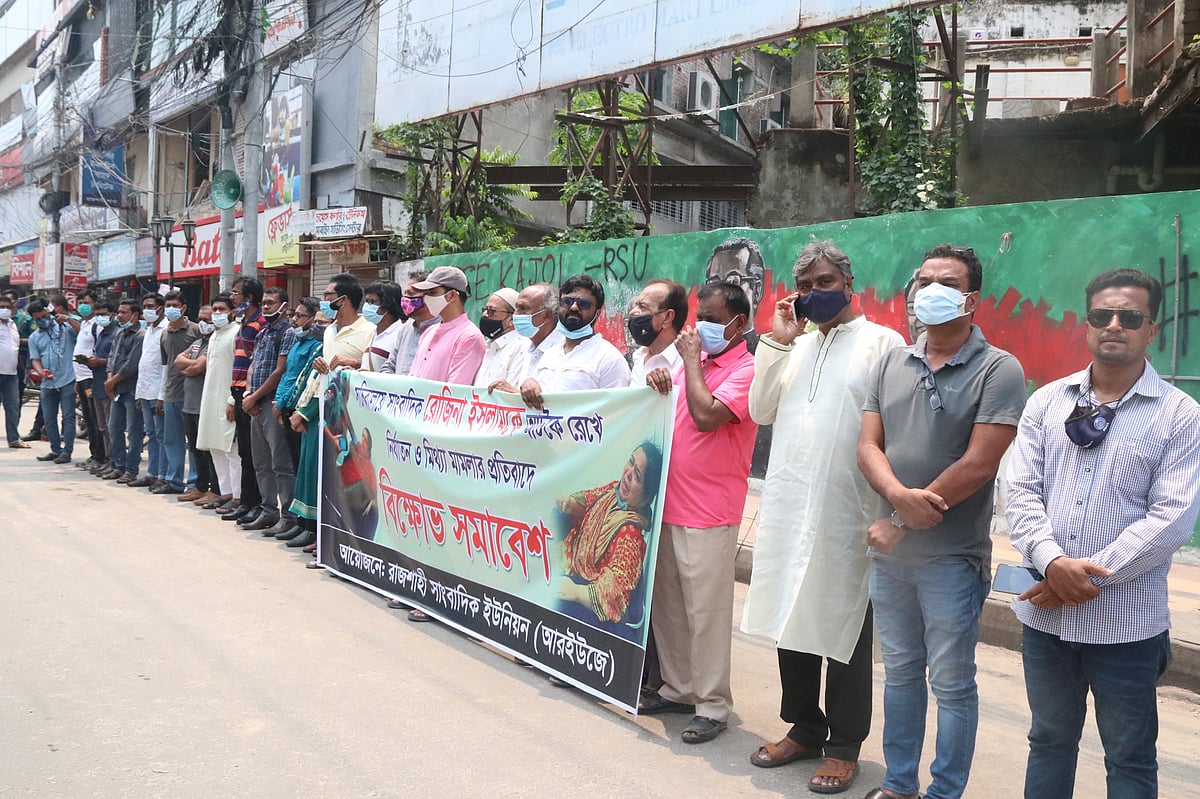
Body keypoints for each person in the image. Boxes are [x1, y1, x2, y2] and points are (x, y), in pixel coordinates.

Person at [1007, 268, 1200, 799]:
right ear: (1087, 324)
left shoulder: (1181, 416)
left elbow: (1172, 518)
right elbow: (1019, 491)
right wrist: (1052, 563)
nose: (1114, 325)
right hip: (1046, 620)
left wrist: (1085, 580)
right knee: (1048, 739)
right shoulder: (1047, 402)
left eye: (1130, 317)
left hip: (1127, 628)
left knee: (1130, 757)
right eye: (1102, 315)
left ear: (1151, 330)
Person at [856, 244, 1027, 799]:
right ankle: (900, 785)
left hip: (953, 559)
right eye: (922, 279)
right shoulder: (892, 361)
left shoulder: (999, 369)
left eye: (944, 282)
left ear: (970, 299)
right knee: (901, 675)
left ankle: (944, 791)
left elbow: (979, 464)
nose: (927, 290)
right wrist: (895, 497)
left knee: (951, 684)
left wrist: (902, 519)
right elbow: (868, 446)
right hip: (891, 558)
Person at [740, 240, 905, 794]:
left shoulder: (885, 343)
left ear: (848, 283)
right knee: (793, 616)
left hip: (848, 510)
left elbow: (894, 433)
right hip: (790, 505)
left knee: (845, 626)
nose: (813, 294)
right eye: (804, 285)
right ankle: (805, 728)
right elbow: (760, 410)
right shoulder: (795, 345)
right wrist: (777, 344)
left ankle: (844, 745)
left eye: (825, 283)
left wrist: (892, 509)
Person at [639, 281, 756, 745]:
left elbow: (708, 416)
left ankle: (712, 704)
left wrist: (687, 363)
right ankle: (680, 687)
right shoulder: (698, 365)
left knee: (705, 612)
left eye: (710, 318)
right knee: (669, 608)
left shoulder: (746, 369)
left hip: (709, 510)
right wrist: (659, 378)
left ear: (738, 324)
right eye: (699, 316)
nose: (699, 327)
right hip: (667, 502)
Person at [288, 274, 374, 551]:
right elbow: (320, 376)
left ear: (343, 300)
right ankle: (317, 531)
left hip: (350, 416)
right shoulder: (328, 331)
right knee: (317, 473)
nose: (323, 302)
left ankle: (335, 537)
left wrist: (355, 362)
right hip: (323, 409)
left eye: (327, 296)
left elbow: (370, 370)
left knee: (345, 480)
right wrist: (305, 409)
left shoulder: (367, 330)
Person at [557, 443, 664, 626]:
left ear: (646, 498)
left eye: (637, 476)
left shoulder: (630, 534)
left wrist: (575, 591)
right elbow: (589, 499)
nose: (628, 473)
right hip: (572, 565)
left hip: (588, 598)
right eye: (630, 462)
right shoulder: (612, 493)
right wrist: (569, 503)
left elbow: (616, 593)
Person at [520, 275, 631, 409]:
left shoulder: (610, 360)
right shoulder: (549, 355)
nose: (573, 307)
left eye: (583, 304)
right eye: (567, 301)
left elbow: (616, 414)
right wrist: (529, 384)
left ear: (598, 311)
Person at [239, 287, 297, 535]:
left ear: (284, 306)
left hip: (272, 404)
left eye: (271, 303)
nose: (266, 307)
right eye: (264, 303)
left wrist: (256, 396)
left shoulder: (288, 332)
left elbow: (279, 371)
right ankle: (268, 510)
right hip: (256, 404)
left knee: (281, 464)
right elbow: (254, 366)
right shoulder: (263, 333)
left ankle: (288, 515)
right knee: (261, 462)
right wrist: (247, 395)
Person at [271, 297, 323, 541]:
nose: (294, 320)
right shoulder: (296, 343)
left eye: (300, 316)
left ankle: (308, 526)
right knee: (293, 467)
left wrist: (292, 408)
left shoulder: (316, 345)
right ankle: (297, 520)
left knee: (304, 470)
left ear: (312, 319)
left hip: (301, 412)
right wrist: (279, 403)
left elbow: (306, 383)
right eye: (295, 315)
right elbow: (289, 376)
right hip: (287, 409)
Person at [219, 278, 266, 521]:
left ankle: (255, 504)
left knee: (252, 452)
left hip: (249, 390)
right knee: (244, 450)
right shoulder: (242, 322)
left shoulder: (259, 323)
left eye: (236, 293)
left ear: (248, 298)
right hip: (236, 388)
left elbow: (255, 358)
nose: (232, 297)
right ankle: (246, 502)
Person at [197, 295, 242, 514]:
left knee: (232, 450)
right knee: (215, 447)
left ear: (232, 312)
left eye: (221, 309)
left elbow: (238, 370)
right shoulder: (215, 334)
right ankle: (225, 493)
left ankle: (238, 496)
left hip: (227, 399)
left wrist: (232, 401)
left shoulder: (236, 333)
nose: (216, 313)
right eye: (214, 309)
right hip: (210, 398)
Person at [174, 304, 221, 507]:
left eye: (208, 319)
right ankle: (200, 487)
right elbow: (178, 361)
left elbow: (199, 366)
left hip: (206, 405)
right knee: (195, 449)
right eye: (201, 319)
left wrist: (190, 366)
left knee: (209, 451)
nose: (204, 323)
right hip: (189, 405)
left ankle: (215, 489)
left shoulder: (215, 343)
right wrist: (189, 367)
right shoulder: (197, 343)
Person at [408, 266, 486, 384]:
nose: (426, 299)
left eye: (433, 293)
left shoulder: (469, 337)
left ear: (452, 296)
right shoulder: (429, 332)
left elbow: (455, 390)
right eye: (426, 294)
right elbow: (413, 376)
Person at [157, 291, 201, 496]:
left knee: (192, 442)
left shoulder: (195, 330)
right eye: (168, 305)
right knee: (171, 439)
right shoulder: (164, 333)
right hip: (171, 394)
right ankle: (173, 480)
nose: (170, 309)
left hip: (191, 394)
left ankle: (193, 483)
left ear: (183, 308)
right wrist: (162, 393)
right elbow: (165, 366)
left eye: (175, 305)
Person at [28, 298, 80, 463]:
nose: (41, 320)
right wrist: (40, 372)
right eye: (37, 319)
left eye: (43, 316)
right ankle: (55, 449)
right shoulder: (34, 337)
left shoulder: (64, 328)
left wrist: (66, 319)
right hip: (48, 382)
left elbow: (82, 331)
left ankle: (67, 451)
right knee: (49, 418)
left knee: (68, 417)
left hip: (67, 378)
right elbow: (35, 359)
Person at [486, 283, 561, 395]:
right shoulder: (525, 347)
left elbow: (556, 403)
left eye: (523, 309)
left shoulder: (562, 351)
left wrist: (513, 394)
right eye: (516, 308)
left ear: (545, 315)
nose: (516, 314)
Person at [103, 300, 145, 481]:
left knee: (134, 433)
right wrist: (109, 380)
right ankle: (118, 466)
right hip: (117, 389)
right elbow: (112, 358)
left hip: (132, 389)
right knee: (114, 428)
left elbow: (132, 364)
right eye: (119, 312)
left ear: (135, 315)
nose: (120, 315)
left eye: (124, 312)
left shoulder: (141, 335)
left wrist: (112, 381)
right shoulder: (120, 333)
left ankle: (131, 469)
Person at [380, 270, 440, 375]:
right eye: (405, 293)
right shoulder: (405, 328)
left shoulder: (442, 328)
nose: (405, 299)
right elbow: (390, 365)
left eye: (411, 294)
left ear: (429, 296)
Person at [629, 279, 687, 386]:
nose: (633, 312)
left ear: (667, 317)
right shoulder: (639, 357)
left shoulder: (685, 364)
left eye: (643, 307)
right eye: (636, 306)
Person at [85, 301, 118, 473]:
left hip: (109, 386)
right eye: (97, 314)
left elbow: (116, 360)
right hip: (97, 384)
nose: (100, 317)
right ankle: (107, 459)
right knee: (102, 426)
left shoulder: (116, 333)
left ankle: (114, 461)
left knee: (111, 427)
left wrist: (101, 362)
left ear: (112, 314)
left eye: (103, 314)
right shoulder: (101, 332)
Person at [71, 290, 102, 468]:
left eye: (87, 302)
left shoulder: (97, 324)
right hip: (82, 378)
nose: (83, 305)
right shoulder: (85, 323)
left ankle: (100, 456)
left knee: (96, 418)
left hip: (91, 378)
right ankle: (94, 454)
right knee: (88, 418)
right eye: (80, 301)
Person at [474, 287, 525, 388]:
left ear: (511, 319)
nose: (485, 315)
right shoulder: (489, 345)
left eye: (491, 311)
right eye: (485, 310)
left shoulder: (520, 348)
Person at [362, 281, 405, 372]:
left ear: (386, 305)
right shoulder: (374, 332)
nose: (367, 306)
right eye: (367, 301)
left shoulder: (401, 333)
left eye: (372, 301)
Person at [0, 293, 23, 448]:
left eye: (8, 307)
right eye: (1, 307)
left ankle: (14, 439)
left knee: (13, 406)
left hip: (11, 373)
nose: (5, 310)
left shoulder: (13, 324)